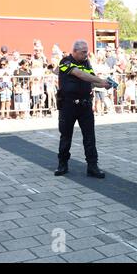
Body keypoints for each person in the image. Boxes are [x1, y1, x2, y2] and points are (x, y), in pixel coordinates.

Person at [54, 40, 111, 178]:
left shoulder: (86, 63)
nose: (86, 54)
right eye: (83, 52)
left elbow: (90, 79)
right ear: (75, 51)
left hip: (85, 105)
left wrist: (103, 84)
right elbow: (80, 74)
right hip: (68, 105)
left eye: (87, 52)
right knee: (66, 136)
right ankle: (63, 164)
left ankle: (92, 166)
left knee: (90, 137)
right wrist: (101, 81)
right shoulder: (65, 62)